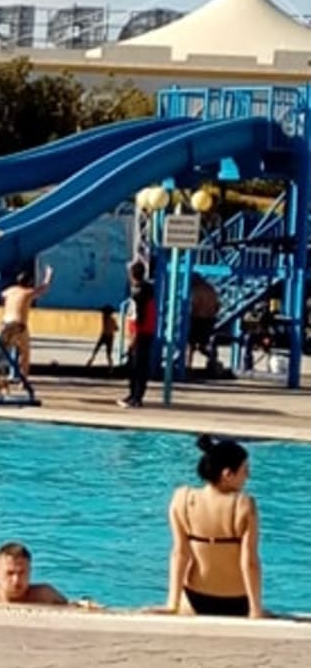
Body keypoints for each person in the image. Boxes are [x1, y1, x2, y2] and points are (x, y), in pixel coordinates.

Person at [165, 435, 263, 618]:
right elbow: (249, 562)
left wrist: (172, 603)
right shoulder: (244, 505)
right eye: (244, 470)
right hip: (236, 599)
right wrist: (255, 609)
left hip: (195, 595)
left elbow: (180, 553)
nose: (248, 476)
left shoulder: (181, 499)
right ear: (227, 474)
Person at [0, 264, 53, 380]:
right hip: (18, 325)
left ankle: (4, 374)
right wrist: (48, 275)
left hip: (5, 324)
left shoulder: (10, 291)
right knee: (25, 352)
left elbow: (2, 294)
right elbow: (44, 288)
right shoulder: (27, 293)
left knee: (4, 350)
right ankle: (23, 379)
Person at [118, 259, 156, 408]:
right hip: (145, 332)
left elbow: (138, 316)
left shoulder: (138, 294)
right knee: (137, 366)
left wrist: (133, 336)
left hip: (140, 333)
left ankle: (136, 397)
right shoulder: (146, 290)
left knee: (137, 367)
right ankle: (134, 395)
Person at [188, 273, 220, 367]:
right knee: (204, 343)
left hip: (197, 319)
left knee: (190, 344)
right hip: (209, 319)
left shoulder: (196, 290)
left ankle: (187, 364)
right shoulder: (211, 289)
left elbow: (194, 305)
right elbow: (217, 305)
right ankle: (212, 359)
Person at [85, 303, 118, 369]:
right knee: (108, 353)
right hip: (110, 337)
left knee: (96, 350)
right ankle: (111, 366)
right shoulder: (112, 320)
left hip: (104, 336)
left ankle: (90, 362)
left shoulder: (105, 318)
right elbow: (116, 329)